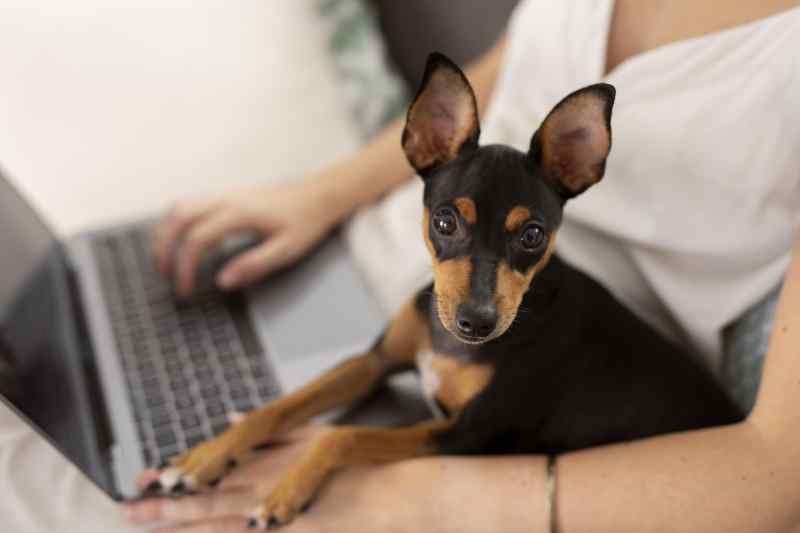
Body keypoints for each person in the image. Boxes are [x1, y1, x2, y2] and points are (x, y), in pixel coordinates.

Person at [125, 0, 800, 531]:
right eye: (448, 228)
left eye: (527, 239)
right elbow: (515, 62)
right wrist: (319, 195)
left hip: (527, 441)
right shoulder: (434, 228)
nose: (476, 295)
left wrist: (402, 492)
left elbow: (779, 480)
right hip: (353, 265)